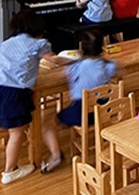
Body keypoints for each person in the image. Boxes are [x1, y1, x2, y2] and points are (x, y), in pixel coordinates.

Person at [0, 8, 67, 184]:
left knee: (17, 128)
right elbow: (54, 60)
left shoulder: (3, 44)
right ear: (37, 28)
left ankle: (12, 161)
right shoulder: (37, 44)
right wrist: (73, 60)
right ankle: (10, 171)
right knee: (17, 133)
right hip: (13, 95)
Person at [39, 29, 117, 173]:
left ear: (81, 48)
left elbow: (63, 75)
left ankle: (56, 156)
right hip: (105, 110)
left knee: (47, 125)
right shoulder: (108, 65)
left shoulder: (76, 67)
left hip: (82, 113)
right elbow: (119, 70)